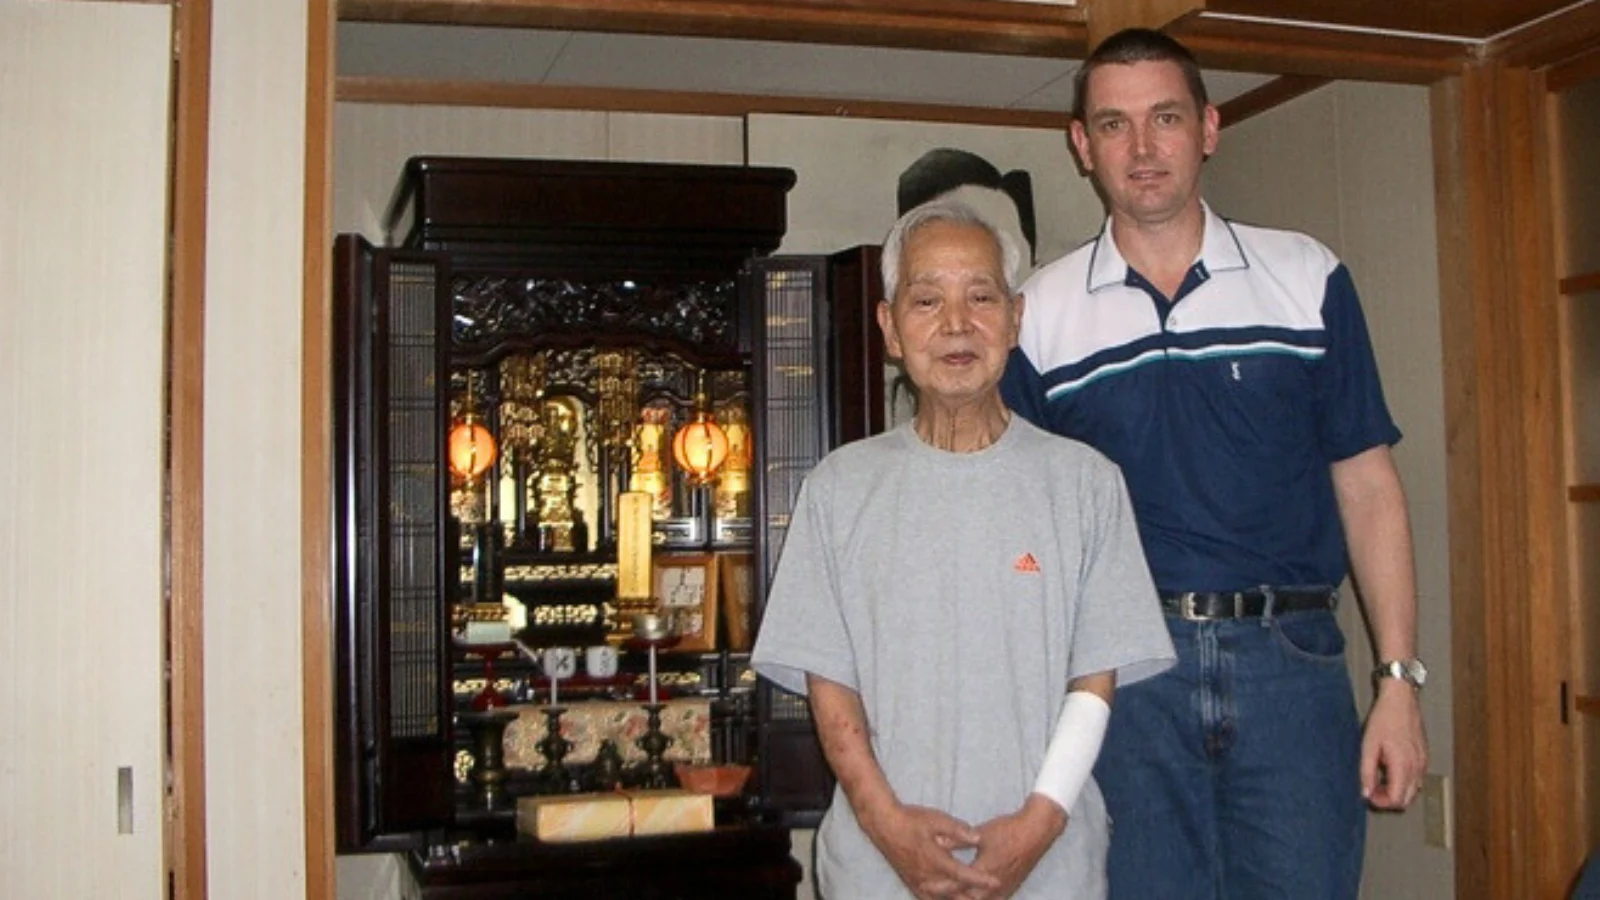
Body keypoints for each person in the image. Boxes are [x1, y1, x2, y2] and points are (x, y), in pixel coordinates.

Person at [1000, 27, 1430, 899]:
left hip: (1293, 667)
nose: (1143, 147)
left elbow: (1369, 488)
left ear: (1208, 127)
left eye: (1165, 117)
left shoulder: (1305, 277)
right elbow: (1021, 524)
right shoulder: (1037, 315)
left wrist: (1398, 683)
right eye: (1114, 125)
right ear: (1082, 145)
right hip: (1126, 679)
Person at [752, 199, 1175, 900]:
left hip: (1048, 867)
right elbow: (830, 687)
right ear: (890, 327)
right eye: (926, 300)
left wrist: (1036, 829)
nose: (956, 323)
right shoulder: (839, 488)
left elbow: (1094, 686)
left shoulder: (1085, 483)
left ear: (1015, 317)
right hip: (877, 870)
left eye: (981, 297)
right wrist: (888, 829)